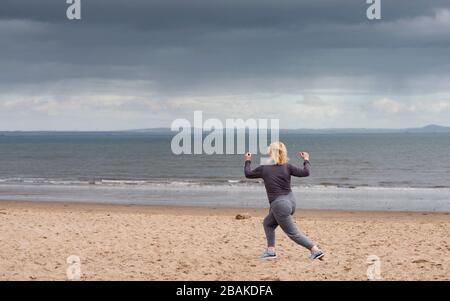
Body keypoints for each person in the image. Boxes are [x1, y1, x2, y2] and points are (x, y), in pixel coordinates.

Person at [244, 141, 324, 260]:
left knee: (293, 233)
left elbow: (248, 173)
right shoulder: (288, 166)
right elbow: (306, 172)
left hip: (280, 205)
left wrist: (247, 160)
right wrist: (306, 159)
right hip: (291, 201)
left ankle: (315, 250)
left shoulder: (264, 168)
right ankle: (270, 251)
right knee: (268, 223)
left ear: (271, 153)